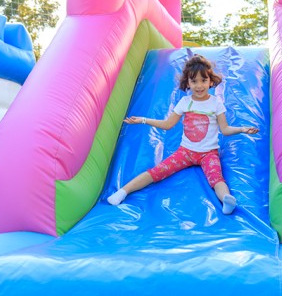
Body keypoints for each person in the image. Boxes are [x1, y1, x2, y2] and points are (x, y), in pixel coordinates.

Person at [107, 54, 259, 214]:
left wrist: (242, 129)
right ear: (187, 82)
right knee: (157, 171)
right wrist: (143, 120)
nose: (199, 85)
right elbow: (167, 125)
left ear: (210, 81)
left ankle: (226, 200)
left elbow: (225, 129)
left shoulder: (216, 103)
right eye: (194, 81)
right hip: (185, 152)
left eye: (203, 80)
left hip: (208, 153)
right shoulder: (185, 102)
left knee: (216, 178)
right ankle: (123, 191)